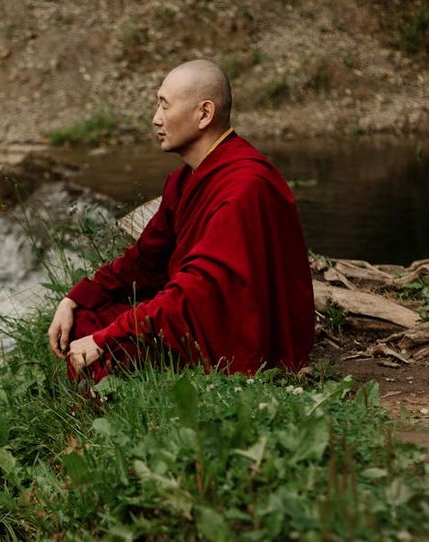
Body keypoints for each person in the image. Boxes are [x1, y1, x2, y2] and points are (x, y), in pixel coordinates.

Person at [47, 59, 315, 383]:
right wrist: (76, 297)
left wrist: (108, 337)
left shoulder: (246, 186)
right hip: (197, 307)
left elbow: (197, 292)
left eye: (164, 105)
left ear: (204, 114)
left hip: (238, 329)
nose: (155, 119)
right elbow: (145, 261)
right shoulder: (184, 180)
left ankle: (111, 425)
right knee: (85, 319)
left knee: (108, 346)